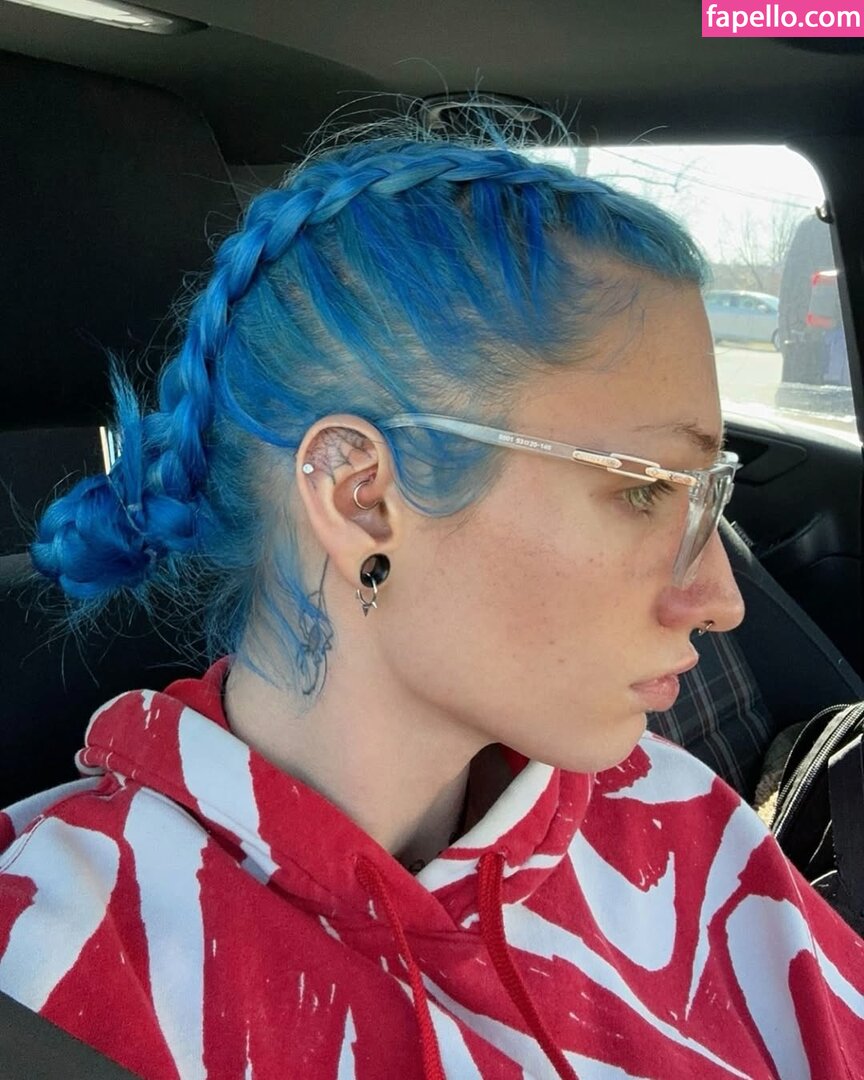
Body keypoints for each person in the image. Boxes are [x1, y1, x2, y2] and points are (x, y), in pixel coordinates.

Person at [0, 123, 862, 1080]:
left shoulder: (682, 818)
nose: (720, 600)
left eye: (709, 495)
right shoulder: (54, 967)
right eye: (644, 490)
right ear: (360, 498)